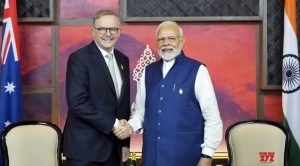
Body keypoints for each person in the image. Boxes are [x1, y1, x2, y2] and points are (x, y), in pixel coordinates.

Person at [114, 21, 223, 166]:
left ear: (181, 41)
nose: (166, 43)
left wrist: (207, 155)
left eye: (171, 38)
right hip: (152, 157)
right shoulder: (148, 71)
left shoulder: (197, 70)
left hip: (186, 157)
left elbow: (212, 117)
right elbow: (141, 111)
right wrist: (130, 127)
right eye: (161, 39)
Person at [63, 9, 131, 166]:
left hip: (114, 149)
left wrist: (125, 142)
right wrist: (115, 125)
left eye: (113, 29)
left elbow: (123, 104)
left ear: (119, 31)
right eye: (102, 29)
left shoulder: (123, 60)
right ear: (93, 31)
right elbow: (77, 103)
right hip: (85, 151)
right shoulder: (79, 59)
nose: (108, 34)